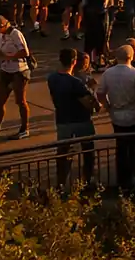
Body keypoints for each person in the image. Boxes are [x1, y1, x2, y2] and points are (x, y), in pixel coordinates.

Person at [97, 44, 135, 192]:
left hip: (117, 116)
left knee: (121, 147)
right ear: (131, 56)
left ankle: (123, 179)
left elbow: (100, 93)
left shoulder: (108, 74)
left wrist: (107, 106)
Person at [48, 47, 99, 185]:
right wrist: (93, 96)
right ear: (74, 61)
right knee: (88, 150)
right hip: (80, 120)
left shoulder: (52, 78)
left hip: (62, 119)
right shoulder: (76, 83)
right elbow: (88, 104)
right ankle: (87, 180)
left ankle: (61, 182)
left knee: (64, 152)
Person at [0, 14, 32, 140]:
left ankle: (25, 128)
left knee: (20, 100)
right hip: (5, 69)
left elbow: (25, 52)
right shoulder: (3, 35)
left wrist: (8, 57)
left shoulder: (15, 34)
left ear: (2, 25)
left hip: (19, 71)